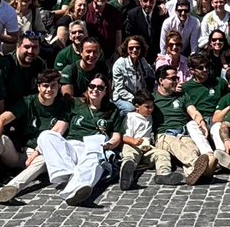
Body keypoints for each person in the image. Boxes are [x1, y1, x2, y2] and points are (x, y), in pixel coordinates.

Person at [36, 71, 124, 205]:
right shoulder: (75, 103)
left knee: (95, 162)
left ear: (106, 91)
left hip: (95, 145)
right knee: (46, 135)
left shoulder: (112, 109)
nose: (95, 90)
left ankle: (73, 193)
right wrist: (36, 151)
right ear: (87, 88)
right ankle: (65, 172)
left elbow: (116, 137)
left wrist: (108, 145)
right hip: (73, 145)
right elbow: (58, 129)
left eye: (100, 88)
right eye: (92, 86)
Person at [152, 64, 217, 185]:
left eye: (176, 78)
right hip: (164, 135)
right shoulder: (153, 99)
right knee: (178, 145)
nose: (176, 81)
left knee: (192, 148)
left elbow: (193, 111)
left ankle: (192, 174)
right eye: (172, 78)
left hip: (183, 133)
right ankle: (201, 167)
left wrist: (201, 122)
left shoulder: (182, 96)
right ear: (161, 81)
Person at [118, 92, 177, 189]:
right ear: (137, 107)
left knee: (162, 154)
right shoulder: (131, 117)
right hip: (133, 145)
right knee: (129, 156)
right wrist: (134, 141)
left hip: (146, 148)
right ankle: (126, 176)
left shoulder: (149, 117)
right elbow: (124, 137)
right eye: (147, 107)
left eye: (152, 106)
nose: (151, 109)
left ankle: (163, 174)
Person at [111, 36, 155, 114]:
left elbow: (152, 75)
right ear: (126, 49)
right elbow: (119, 90)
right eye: (131, 48)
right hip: (122, 98)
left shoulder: (142, 61)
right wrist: (136, 100)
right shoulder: (119, 64)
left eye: (137, 48)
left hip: (140, 97)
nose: (134, 50)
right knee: (131, 109)